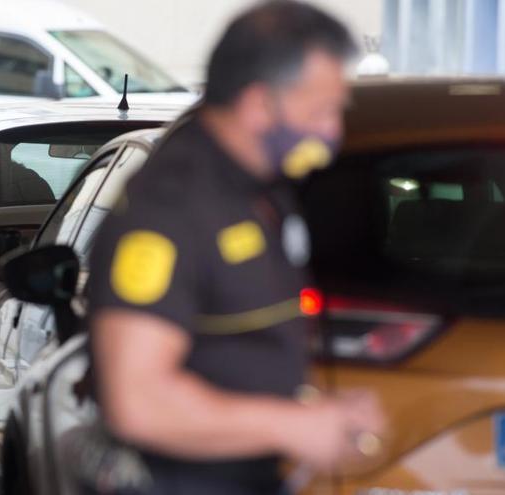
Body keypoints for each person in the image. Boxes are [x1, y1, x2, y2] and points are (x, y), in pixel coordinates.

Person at [87, 2, 386, 494]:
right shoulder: (171, 208)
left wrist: (313, 412)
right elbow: (137, 400)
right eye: (320, 111)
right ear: (259, 105)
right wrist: (294, 425)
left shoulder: (258, 189)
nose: (333, 131)